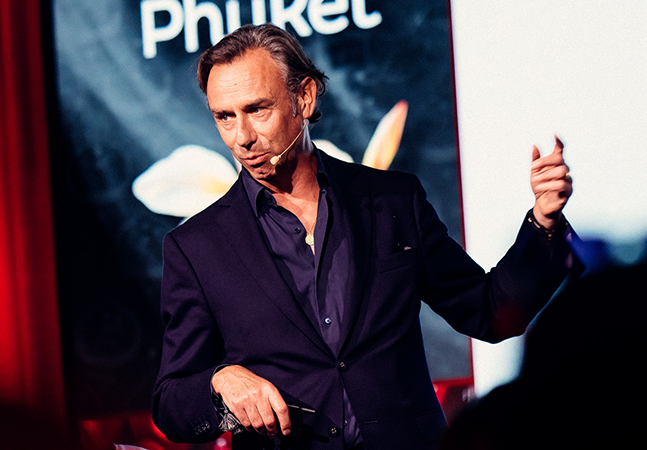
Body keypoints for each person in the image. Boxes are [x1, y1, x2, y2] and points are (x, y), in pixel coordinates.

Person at [151, 24, 579, 450]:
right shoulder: (196, 247)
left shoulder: (393, 200)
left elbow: (489, 312)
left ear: (304, 97)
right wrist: (219, 381)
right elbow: (171, 402)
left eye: (257, 110)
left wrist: (544, 222)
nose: (242, 137)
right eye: (225, 117)